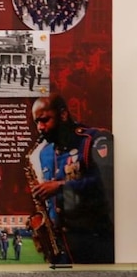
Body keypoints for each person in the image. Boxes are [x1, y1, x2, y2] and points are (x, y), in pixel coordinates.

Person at [27, 94, 114, 264]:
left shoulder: (95, 140)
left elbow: (108, 182)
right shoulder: (44, 153)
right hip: (60, 248)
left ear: (63, 115)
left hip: (93, 245)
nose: (40, 127)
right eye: (37, 122)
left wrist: (60, 187)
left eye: (45, 120)